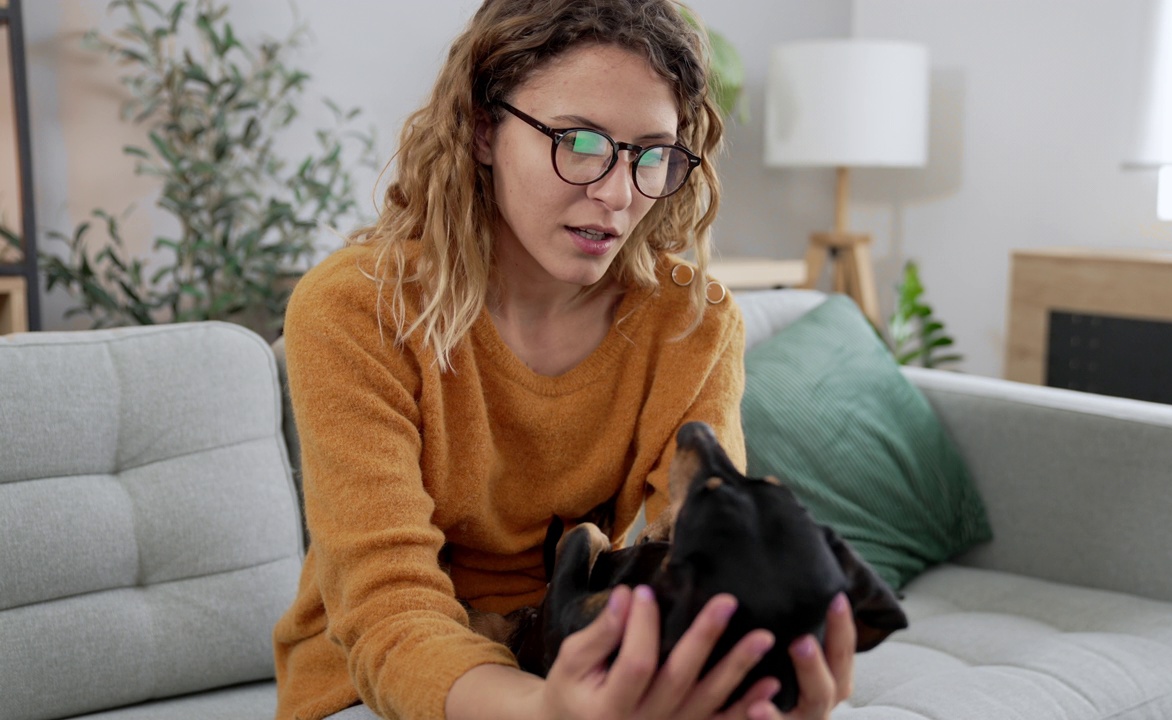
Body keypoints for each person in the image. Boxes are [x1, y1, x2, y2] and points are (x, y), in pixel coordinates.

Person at [272, 1, 856, 718]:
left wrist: (745, 659)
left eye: (651, 153)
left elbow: (705, 547)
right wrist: (550, 712)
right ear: (484, 129)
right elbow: (387, 611)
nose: (616, 194)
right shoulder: (359, 309)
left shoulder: (691, 324)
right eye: (579, 141)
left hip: (575, 666)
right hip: (374, 689)